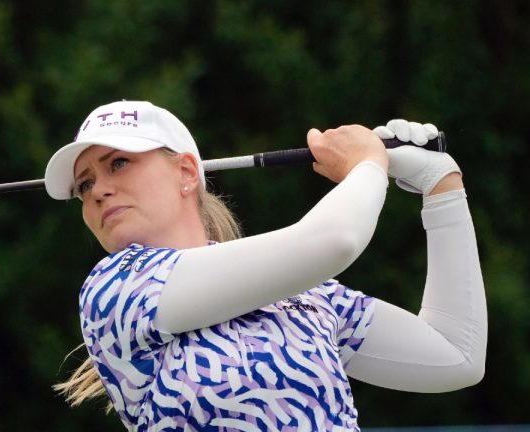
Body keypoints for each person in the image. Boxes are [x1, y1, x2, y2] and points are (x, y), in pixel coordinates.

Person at [44, 100, 486, 431]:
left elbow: (456, 355)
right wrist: (369, 164)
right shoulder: (115, 289)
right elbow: (335, 239)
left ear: (186, 172)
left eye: (118, 163)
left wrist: (441, 187)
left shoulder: (302, 294)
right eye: (85, 184)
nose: (98, 191)